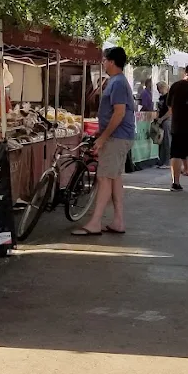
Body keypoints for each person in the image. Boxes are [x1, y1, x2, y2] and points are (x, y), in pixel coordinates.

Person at [74, 47, 136, 235]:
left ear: (110, 61)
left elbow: (119, 112)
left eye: (104, 60)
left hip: (117, 138)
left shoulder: (117, 83)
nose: (102, 63)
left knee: (104, 178)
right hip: (120, 136)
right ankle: (118, 221)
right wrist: (100, 133)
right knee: (114, 178)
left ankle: (95, 222)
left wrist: (103, 137)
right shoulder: (118, 82)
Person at [155, 81, 171, 168]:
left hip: (167, 120)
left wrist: (162, 118)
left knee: (167, 141)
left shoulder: (168, 97)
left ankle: (168, 161)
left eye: (159, 88)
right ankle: (162, 160)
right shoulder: (161, 98)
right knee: (162, 141)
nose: (158, 90)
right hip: (162, 120)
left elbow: (170, 111)